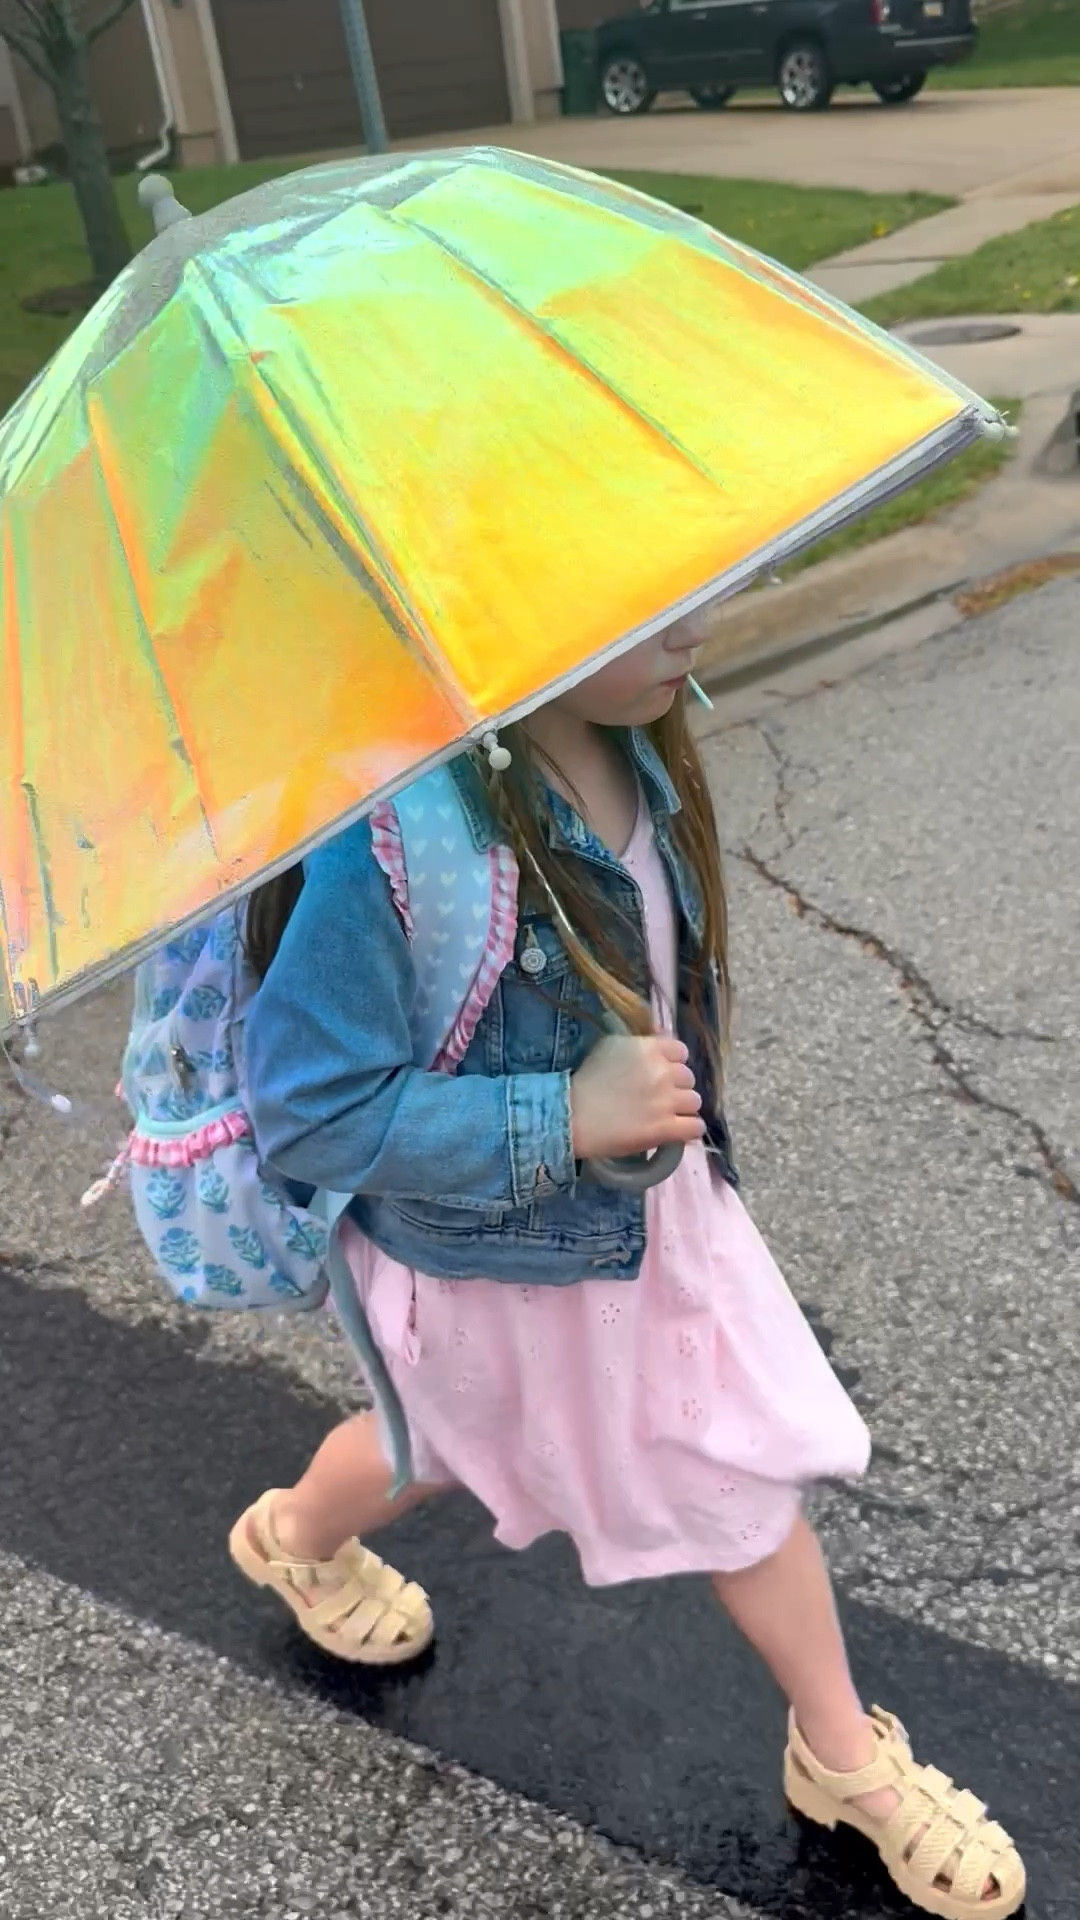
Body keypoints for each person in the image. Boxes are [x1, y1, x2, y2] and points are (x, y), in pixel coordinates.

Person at [233, 615, 1023, 1920]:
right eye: (637, 606)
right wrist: (563, 1113)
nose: (690, 624)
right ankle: (295, 1536)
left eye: (682, 582)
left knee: (733, 1469)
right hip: (491, 1268)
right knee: (437, 1446)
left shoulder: (635, 744)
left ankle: (843, 1756)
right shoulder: (395, 833)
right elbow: (310, 1112)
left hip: (653, 1237)